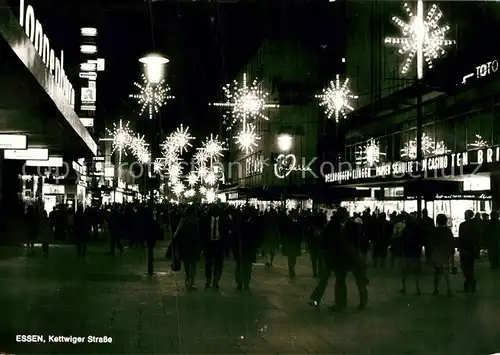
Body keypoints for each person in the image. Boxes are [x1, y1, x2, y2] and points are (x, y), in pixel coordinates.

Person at [309, 208, 368, 311]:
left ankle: (354, 303)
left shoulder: (349, 226)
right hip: (338, 257)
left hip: (348, 257)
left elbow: (359, 241)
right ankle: (340, 303)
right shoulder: (334, 226)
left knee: (350, 280)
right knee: (341, 280)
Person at [204, 204, 229, 289]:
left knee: (218, 264)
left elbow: (227, 231)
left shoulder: (224, 220)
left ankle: (216, 281)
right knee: (208, 264)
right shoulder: (206, 220)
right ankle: (208, 280)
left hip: (219, 244)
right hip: (209, 244)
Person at [430, 214, 454, 296]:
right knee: (447, 272)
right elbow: (451, 243)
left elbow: (432, 242)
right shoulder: (448, 231)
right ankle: (449, 289)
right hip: (445, 253)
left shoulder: (434, 231)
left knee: (436, 272)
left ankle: (436, 289)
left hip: (437, 253)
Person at [459, 210, 478, 293]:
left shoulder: (462, 225)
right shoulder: (474, 226)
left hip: (465, 248)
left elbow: (461, 237)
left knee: (464, 266)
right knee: (470, 267)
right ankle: (470, 282)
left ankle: (468, 282)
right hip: (471, 249)